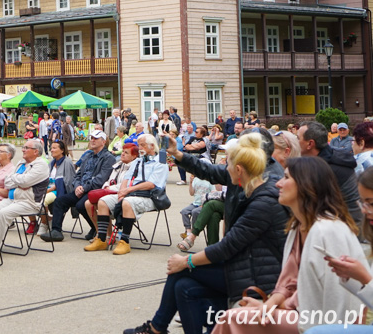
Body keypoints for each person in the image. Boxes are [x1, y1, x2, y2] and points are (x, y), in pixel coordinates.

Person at [123, 133, 289, 334]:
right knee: (183, 285)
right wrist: (177, 153)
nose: (224, 164)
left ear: (242, 164)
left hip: (257, 276)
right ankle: (157, 328)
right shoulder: (250, 174)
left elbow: (229, 246)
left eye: (230, 159)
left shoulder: (265, 195)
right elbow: (209, 171)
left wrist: (187, 261)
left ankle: (156, 328)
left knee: (182, 273)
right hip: (245, 262)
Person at [210, 157, 368, 334]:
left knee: (232, 319)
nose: (278, 183)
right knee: (236, 314)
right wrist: (268, 305)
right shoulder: (297, 227)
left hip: (324, 323)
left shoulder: (327, 230)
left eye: (286, 177)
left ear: (306, 184)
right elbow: (289, 283)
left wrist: (277, 308)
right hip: (303, 313)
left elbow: (338, 297)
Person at [304, 168, 373, 334]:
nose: (364, 210)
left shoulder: (324, 229)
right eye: (363, 203)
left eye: (370, 203)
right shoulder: (302, 228)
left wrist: (364, 278)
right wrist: (354, 277)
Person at [85, 134, 169, 255]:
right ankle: (102, 239)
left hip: (150, 197)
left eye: (142, 145)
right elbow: (127, 178)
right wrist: (122, 192)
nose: (139, 148)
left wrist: (127, 191)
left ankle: (124, 241)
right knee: (103, 201)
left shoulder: (160, 162)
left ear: (152, 146)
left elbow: (151, 184)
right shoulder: (138, 161)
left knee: (127, 202)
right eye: (139, 145)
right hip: (131, 193)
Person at [40, 130, 115, 242]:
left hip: (95, 190)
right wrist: (77, 186)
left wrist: (84, 188)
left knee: (81, 205)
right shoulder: (88, 155)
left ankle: (97, 229)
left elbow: (101, 179)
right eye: (92, 138)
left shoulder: (108, 157)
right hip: (81, 189)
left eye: (96, 138)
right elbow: (78, 175)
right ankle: (56, 231)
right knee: (60, 201)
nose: (92, 140)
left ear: (103, 142)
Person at [0, 139, 50, 256]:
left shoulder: (41, 165)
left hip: (30, 202)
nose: (23, 150)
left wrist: (18, 180)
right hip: (12, 200)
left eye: (26, 148)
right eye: (23, 147)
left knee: (3, 213)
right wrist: (20, 181)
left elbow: (25, 181)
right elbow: (8, 182)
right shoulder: (21, 163)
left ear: (36, 151)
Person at [298, 121, 362, 230]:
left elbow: (308, 207)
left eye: (298, 138)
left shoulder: (324, 169)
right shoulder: (330, 157)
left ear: (310, 144)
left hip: (348, 229)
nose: (296, 141)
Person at [82, 143, 137, 238]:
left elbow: (127, 185)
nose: (122, 154)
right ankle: (101, 233)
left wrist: (109, 188)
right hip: (109, 192)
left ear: (134, 156)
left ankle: (108, 236)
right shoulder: (118, 165)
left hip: (124, 194)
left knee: (102, 202)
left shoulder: (135, 168)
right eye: (123, 151)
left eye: (126, 153)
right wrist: (106, 186)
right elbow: (109, 179)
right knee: (88, 203)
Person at [176, 156, 216, 251]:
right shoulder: (196, 179)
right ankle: (188, 231)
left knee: (195, 212)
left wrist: (206, 202)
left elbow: (214, 193)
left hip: (205, 204)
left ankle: (194, 232)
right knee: (184, 211)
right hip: (195, 202)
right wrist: (190, 183)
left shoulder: (210, 181)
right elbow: (191, 193)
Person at [37, 140, 76, 235]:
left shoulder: (67, 162)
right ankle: (48, 220)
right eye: (51, 148)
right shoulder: (51, 163)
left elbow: (68, 182)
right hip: (48, 189)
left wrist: (49, 190)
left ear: (62, 150)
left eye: (54, 148)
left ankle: (44, 223)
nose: (51, 150)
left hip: (59, 191)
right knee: (33, 198)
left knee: (42, 201)